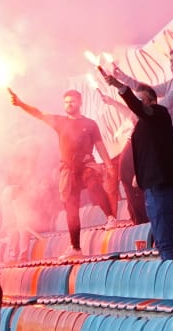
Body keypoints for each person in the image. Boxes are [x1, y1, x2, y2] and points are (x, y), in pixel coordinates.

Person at [9, 87, 114, 253]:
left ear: (80, 102)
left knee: (93, 183)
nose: (69, 104)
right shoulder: (60, 121)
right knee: (71, 209)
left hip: (87, 164)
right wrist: (21, 104)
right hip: (68, 170)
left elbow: (100, 145)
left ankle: (110, 217)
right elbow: (39, 114)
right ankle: (75, 248)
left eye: (72, 101)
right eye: (66, 102)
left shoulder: (90, 124)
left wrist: (108, 165)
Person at [111, 48, 173, 216]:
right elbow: (149, 90)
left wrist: (145, 115)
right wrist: (123, 79)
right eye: (171, 61)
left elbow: (168, 101)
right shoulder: (172, 82)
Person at [104, 72, 173, 260]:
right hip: (151, 185)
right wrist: (138, 176)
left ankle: (169, 278)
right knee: (159, 237)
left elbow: (139, 109)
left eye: (141, 100)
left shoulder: (159, 113)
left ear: (152, 101)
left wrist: (120, 87)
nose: (137, 105)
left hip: (164, 185)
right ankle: (167, 275)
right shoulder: (142, 125)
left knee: (164, 240)